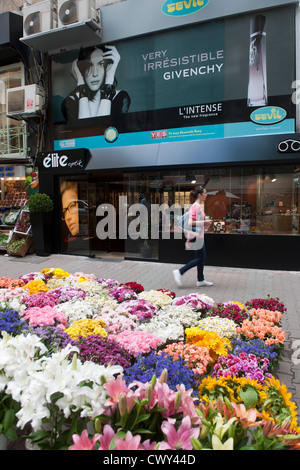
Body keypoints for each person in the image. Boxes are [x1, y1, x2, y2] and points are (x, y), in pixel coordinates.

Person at [61, 44, 130, 121]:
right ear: (81, 69)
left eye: (101, 64)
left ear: (108, 66)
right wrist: (80, 83)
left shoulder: (120, 98)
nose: (95, 74)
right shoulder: (69, 103)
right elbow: (85, 131)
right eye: (89, 65)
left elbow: (104, 130)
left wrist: (109, 78)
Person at [173, 186, 213, 287]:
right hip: (196, 237)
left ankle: (200, 280)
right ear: (199, 195)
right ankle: (180, 272)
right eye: (205, 193)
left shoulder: (197, 206)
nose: (206, 195)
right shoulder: (196, 206)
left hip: (196, 236)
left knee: (201, 257)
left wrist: (205, 222)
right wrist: (205, 221)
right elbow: (191, 223)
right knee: (201, 258)